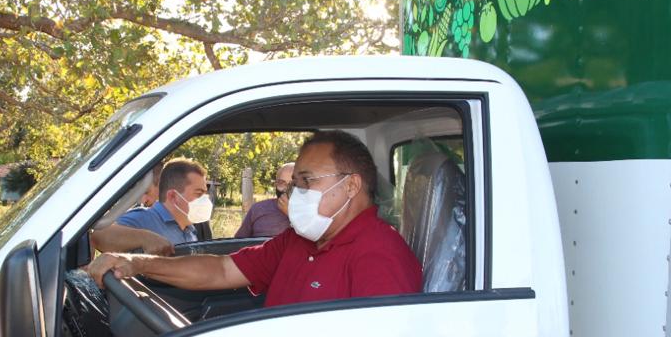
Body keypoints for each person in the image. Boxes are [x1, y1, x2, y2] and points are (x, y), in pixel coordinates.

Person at [86, 130, 422, 307]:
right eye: (294, 184)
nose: (293, 194)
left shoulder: (380, 255)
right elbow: (221, 270)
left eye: (306, 182)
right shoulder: (301, 240)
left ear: (351, 185)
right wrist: (137, 263)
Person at [116, 158, 212, 246]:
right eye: (198, 193)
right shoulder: (143, 219)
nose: (204, 200)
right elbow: (102, 232)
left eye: (204, 193)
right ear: (173, 196)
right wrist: (146, 238)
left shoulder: (191, 229)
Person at [234, 162, 294, 238]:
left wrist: (291, 213)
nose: (286, 189)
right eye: (282, 183)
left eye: (292, 184)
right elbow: (239, 242)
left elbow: (311, 241)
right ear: (275, 184)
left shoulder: (309, 212)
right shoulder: (258, 209)